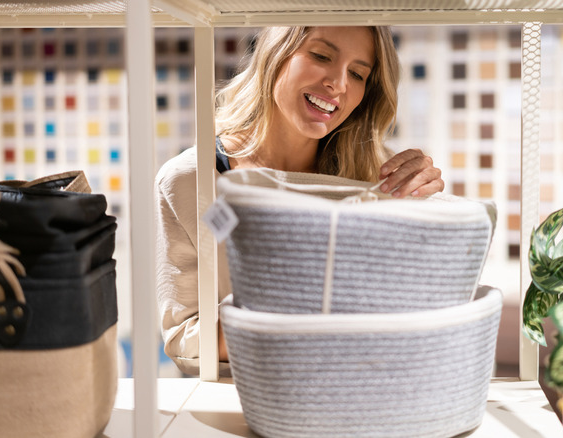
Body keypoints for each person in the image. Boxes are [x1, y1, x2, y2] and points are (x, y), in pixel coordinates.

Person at [156, 26, 445, 376]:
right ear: (275, 55)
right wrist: (304, 310)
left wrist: (420, 209)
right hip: (236, 400)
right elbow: (184, 338)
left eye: (357, 74)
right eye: (321, 56)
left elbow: (411, 319)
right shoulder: (191, 180)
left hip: (353, 394)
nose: (338, 84)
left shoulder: (372, 182)